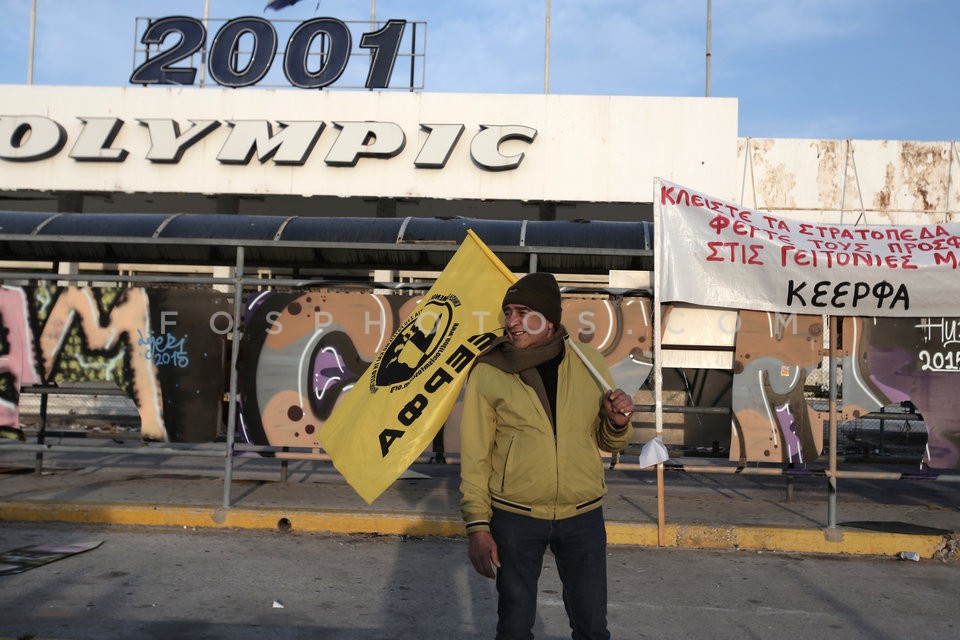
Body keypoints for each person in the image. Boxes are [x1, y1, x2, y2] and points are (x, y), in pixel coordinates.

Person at [459, 271, 634, 640]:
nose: (511, 322)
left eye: (523, 312)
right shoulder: (489, 371)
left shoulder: (588, 363)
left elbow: (609, 442)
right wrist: (477, 525)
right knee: (514, 627)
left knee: (591, 627)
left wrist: (617, 422)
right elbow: (475, 457)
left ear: (549, 318)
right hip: (515, 517)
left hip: (583, 517)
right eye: (508, 312)